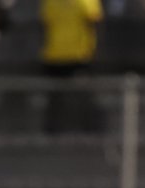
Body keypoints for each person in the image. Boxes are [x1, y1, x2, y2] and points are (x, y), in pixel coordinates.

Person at [39, 0, 106, 134]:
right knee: (63, 97)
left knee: (61, 97)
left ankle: (58, 129)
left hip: (64, 55)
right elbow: (95, 21)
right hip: (73, 55)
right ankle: (82, 129)